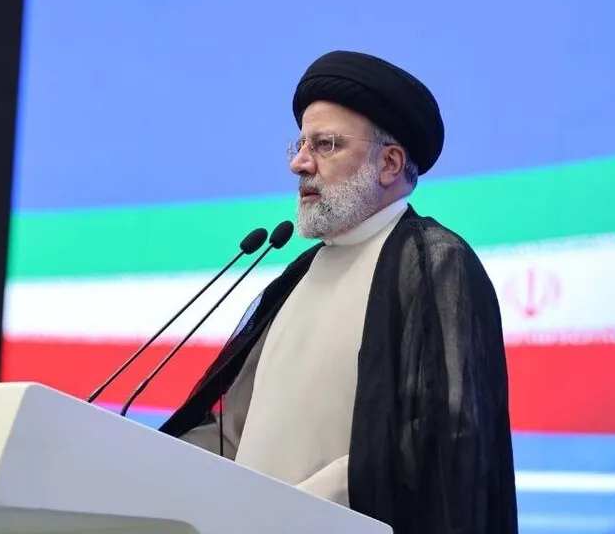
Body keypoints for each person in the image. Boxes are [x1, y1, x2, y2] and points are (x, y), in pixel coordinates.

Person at [160, 50, 518, 534]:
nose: (299, 164)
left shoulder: (432, 262)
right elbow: (234, 434)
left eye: (325, 144)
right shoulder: (298, 276)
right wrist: (140, 462)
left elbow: (438, 439)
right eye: (300, 144)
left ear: (389, 163)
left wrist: (283, 513)